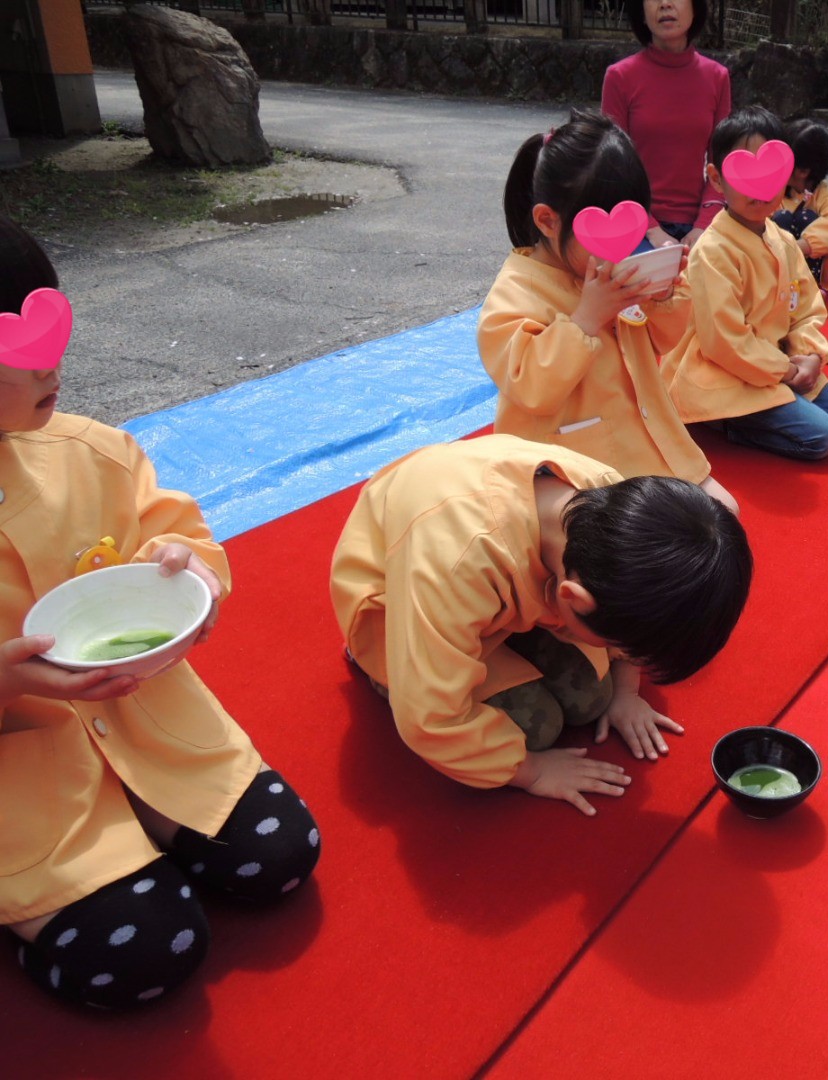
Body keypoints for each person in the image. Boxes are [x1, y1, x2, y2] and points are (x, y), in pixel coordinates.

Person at [0, 216, 320, 1010]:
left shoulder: (92, 452)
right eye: (20, 351)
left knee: (281, 855)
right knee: (146, 953)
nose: (54, 368)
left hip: (147, 721)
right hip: (18, 772)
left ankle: (142, 814)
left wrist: (191, 576)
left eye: (55, 330)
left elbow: (178, 535)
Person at [330, 434, 752, 816]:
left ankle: (525, 639)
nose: (626, 658)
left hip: (494, 590)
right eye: (622, 648)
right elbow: (430, 718)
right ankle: (378, 668)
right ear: (569, 598)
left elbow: (635, 622)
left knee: (592, 698)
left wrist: (626, 692)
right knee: (539, 728)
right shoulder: (456, 561)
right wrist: (530, 771)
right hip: (397, 602)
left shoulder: (611, 499)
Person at [479, 110, 736, 513]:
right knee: (641, 554)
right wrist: (585, 319)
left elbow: (665, 340)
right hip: (564, 468)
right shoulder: (516, 291)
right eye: (601, 228)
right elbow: (529, 385)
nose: (621, 243)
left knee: (724, 513)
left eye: (631, 224)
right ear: (548, 221)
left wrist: (663, 295)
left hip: (645, 444)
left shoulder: (612, 264)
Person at [663, 107, 828, 461]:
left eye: (769, 174)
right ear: (716, 178)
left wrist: (810, 355)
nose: (759, 190)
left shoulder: (781, 238)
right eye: (744, 175)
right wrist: (785, 371)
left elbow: (807, 309)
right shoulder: (713, 251)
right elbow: (724, 341)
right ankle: (723, 421)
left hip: (778, 362)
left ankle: (772, 402)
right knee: (824, 438)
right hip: (725, 371)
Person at [602, 0, 729, 250]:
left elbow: (721, 165)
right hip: (634, 221)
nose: (665, 4)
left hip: (702, 222)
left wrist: (703, 225)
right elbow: (611, 166)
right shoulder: (620, 77)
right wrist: (651, 229)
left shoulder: (717, 77)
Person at [772, 118, 828, 292]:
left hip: (812, 261)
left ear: (802, 171)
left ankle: (810, 284)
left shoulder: (823, 194)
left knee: (806, 217)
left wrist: (801, 246)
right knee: (781, 218)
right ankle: (781, 280)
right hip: (780, 258)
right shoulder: (778, 188)